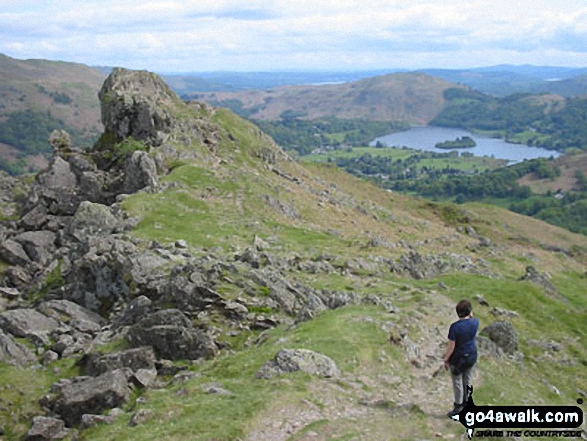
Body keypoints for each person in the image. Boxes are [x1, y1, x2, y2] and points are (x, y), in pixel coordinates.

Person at [443, 299, 479, 417]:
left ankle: (458, 406)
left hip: (458, 359)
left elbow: (451, 346)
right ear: (469, 312)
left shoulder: (454, 327)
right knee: (467, 379)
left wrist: (446, 359)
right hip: (471, 355)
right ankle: (466, 402)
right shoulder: (475, 322)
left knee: (457, 381)